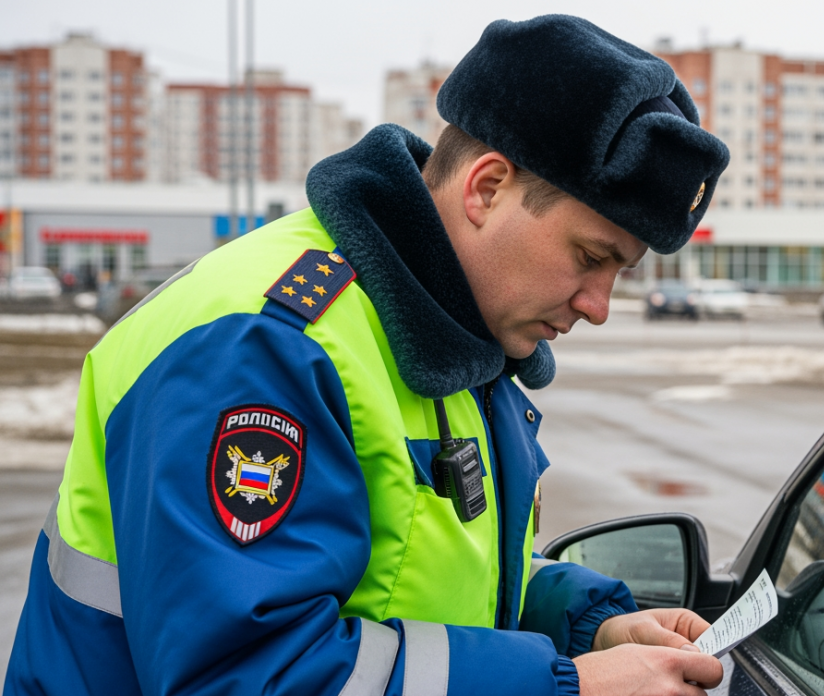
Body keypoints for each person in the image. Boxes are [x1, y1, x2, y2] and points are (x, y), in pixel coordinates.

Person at [5, 15, 729, 696]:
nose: (598, 305)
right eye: (590, 256)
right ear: (488, 187)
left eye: (619, 272)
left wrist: (586, 627)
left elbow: (420, 576)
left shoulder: (448, 333)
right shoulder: (267, 347)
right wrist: (569, 683)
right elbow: (252, 672)